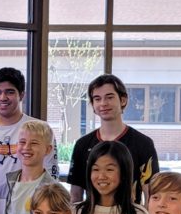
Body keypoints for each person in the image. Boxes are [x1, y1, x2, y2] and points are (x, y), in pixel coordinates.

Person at [0, 67, 58, 214]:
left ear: (21, 95)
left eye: (10, 92)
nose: (2, 97)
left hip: (28, 212)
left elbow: (50, 174)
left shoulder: (40, 130)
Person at [67, 74, 159, 204]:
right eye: (97, 99)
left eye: (109, 97)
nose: (103, 103)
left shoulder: (143, 143)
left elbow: (150, 194)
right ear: (93, 105)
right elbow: (75, 196)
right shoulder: (82, 144)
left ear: (123, 100)